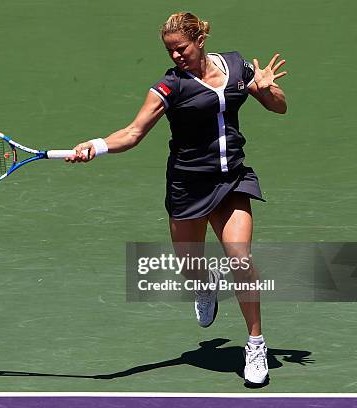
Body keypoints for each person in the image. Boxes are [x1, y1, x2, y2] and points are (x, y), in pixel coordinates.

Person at [66, 12, 287, 386]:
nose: (176, 57)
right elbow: (133, 133)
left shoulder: (237, 66)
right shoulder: (169, 87)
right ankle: (204, 284)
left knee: (240, 257)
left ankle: (255, 343)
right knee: (189, 266)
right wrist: (96, 146)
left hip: (232, 179)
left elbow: (280, 106)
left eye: (181, 49)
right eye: (170, 51)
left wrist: (264, 89)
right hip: (188, 186)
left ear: (199, 39)